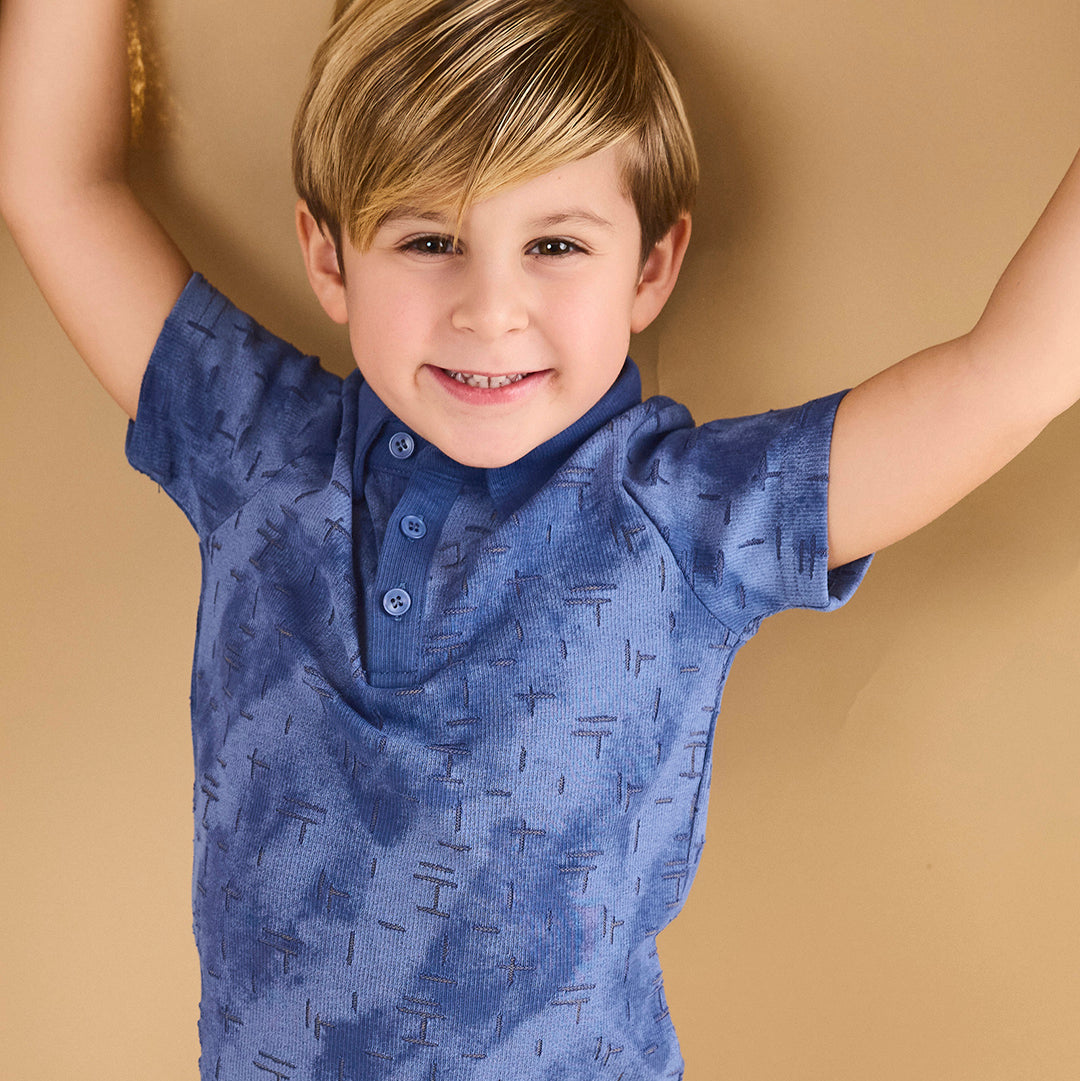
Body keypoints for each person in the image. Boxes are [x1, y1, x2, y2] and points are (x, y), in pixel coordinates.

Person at [1, 0, 1078, 1078]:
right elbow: (56, 185)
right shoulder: (251, 444)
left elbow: (1010, 373)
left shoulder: (686, 518)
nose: (491, 308)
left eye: (555, 244)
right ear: (329, 259)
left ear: (649, 269)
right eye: (429, 241)